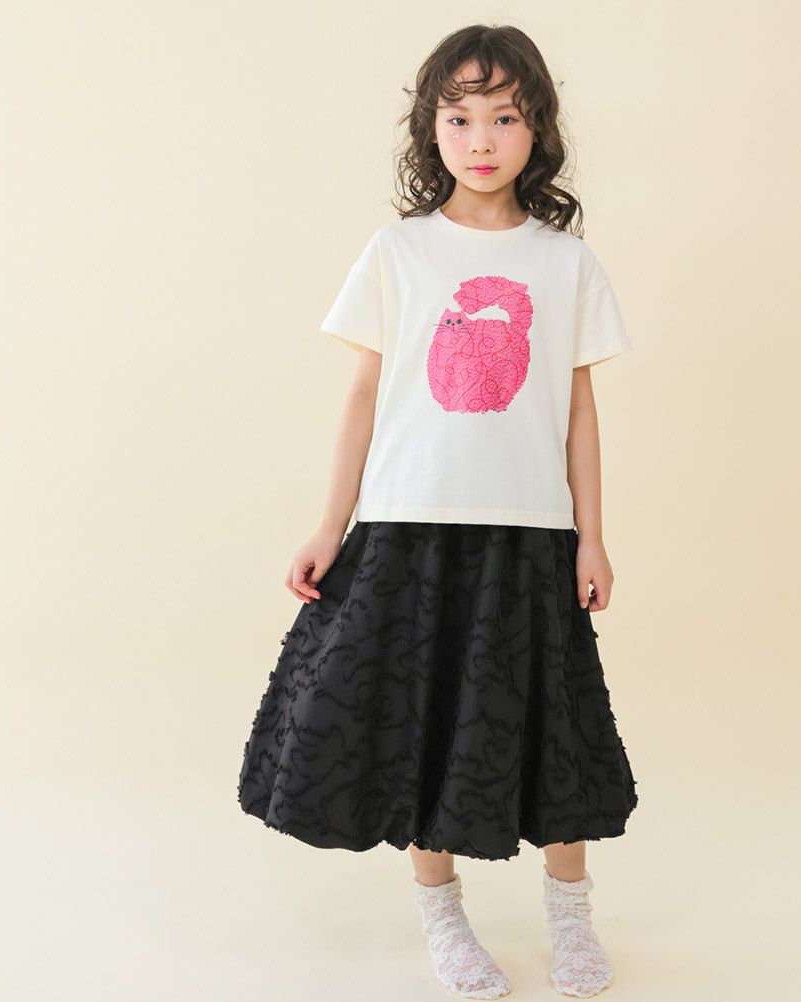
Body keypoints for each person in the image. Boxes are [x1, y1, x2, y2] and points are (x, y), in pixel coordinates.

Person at [237, 23, 639, 1000]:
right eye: (458, 119)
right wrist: (329, 526)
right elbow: (364, 397)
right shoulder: (399, 251)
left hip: (530, 532)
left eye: (504, 117)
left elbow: (579, 411)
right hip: (407, 523)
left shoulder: (565, 263)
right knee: (426, 720)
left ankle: (571, 914)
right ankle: (443, 915)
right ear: (430, 130)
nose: (481, 139)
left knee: (550, 722)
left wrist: (591, 536)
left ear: (538, 129)